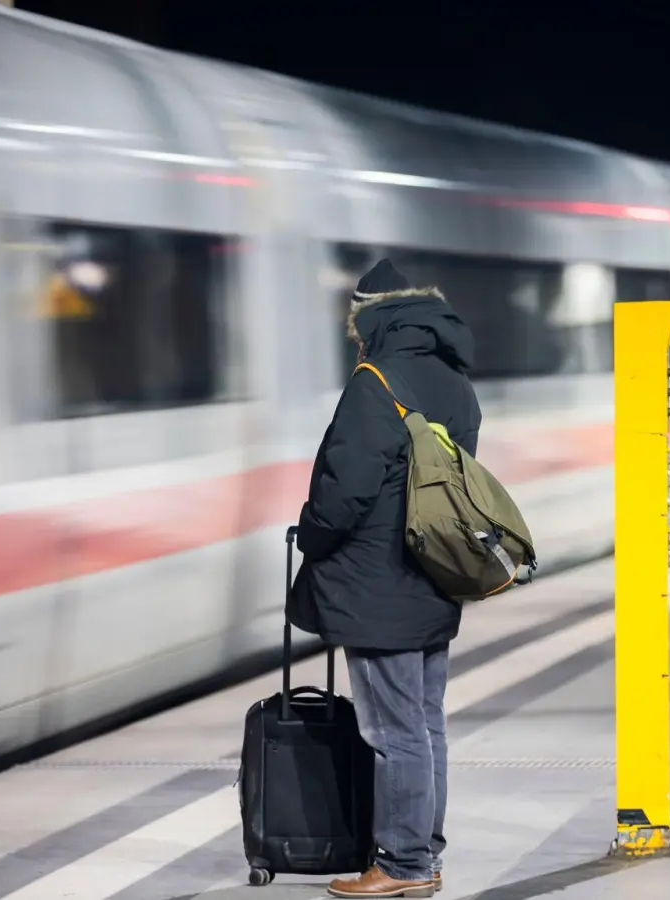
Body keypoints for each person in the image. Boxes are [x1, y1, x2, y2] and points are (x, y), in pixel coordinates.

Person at [289, 259, 481, 899]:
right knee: (426, 724)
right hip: (433, 572)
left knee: (393, 731)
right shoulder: (456, 380)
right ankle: (423, 852)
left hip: (377, 585)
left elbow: (343, 493)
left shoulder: (375, 380)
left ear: (368, 317)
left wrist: (310, 536)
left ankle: (401, 866)